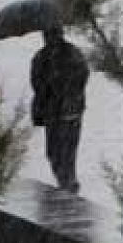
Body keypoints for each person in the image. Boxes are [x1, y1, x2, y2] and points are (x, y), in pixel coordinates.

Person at [31, 26, 89, 192]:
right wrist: (47, 85)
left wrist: (63, 83)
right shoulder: (41, 57)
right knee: (53, 153)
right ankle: (66, 185)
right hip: (52, 113)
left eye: (52, 34)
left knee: (68, 155)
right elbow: (36, 84)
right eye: (46, 34)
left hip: (70, 112)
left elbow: (82, 77)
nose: (48, 38)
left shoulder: (73, 54)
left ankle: (69, 186)